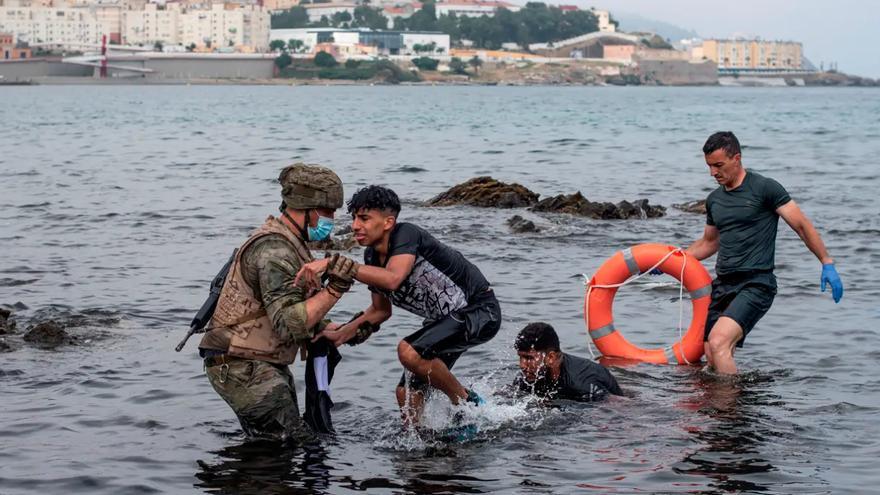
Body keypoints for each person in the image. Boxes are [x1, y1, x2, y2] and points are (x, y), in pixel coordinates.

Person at [301, 185, 501, 425]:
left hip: (480, 310)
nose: (355, 226)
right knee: (406, 394)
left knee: (408, 351)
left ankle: (468, 406)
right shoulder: (371, 257)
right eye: (354, 218)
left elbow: (393, 279)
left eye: (364, 218)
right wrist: (340, 334)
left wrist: (334, 264)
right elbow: (380, 311)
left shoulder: (407, 234)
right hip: (445, 322)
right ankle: (420, 446)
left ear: (388, 222)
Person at [197, 163, 357, 441]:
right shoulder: (275, 250)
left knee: (273, 448)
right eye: (328, 212)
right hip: (242, 368)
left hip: (256, 364)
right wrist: (336, 289)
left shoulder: (290, 242)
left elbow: (289, 307)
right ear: (308, 208)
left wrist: (341, 328)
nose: (332, 219)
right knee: (293, 445)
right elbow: (287, 324)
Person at [685, 131, 843, 375]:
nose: (713, 173)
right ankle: (721, 406)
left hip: (756, 284)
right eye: (709, 166)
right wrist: (671, 260)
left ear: (736, 158)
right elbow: (709, 242)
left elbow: (801, 225)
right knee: (710, 353)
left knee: (718, 342)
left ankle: (729, 411)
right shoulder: (715, 200)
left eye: (718, 165)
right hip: (724, 285)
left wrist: (826, 262)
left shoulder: (765, 188)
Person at [512, 322, 622, 401]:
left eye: (529, 358)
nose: (522, 365)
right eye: (520, 357)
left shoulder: (582, 383)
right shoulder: (529, 377)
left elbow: (618, 408)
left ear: (551, 357)